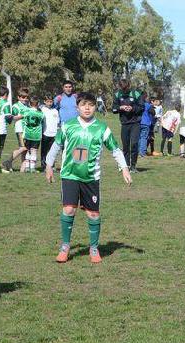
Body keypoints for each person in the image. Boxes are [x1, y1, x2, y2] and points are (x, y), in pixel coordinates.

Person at [43, 92, 134, 264]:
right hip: (69, 175)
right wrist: (49, 165)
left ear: (95, 108)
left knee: (93, 214)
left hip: (91, 177)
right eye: (83, 104)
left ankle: (93, 248)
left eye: (91, 105)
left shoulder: (102, 129)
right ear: (77, 107)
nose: (87, 108)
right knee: (68, 210)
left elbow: (115, 149)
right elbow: (56, 145)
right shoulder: (68, 126)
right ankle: (65, 246)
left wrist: (124, 168)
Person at [1, 88, 43, 173]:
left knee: (26, 150)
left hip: (27, 130)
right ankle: (8, 162)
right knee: (23, 148)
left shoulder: (27, 106)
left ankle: (23, 170)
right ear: (18, 97)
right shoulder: (16, 106)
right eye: (23, 97)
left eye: (26, 97)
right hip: (20, 129)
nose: (25, 99)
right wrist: (23, 115)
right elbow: (12, 118)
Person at [112, 79, 144, 172]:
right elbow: (113, 109)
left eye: (126, 88)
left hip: (135, 123)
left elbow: (142, 107)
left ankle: (133, 166)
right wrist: (120, 108)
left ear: (129, 86)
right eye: (123, 88)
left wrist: (132, 108)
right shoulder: (117, 94)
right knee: (125, 146)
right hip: (124, 124)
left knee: (134, 144)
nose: (124, 90)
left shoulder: (136, 94)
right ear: (120, 87)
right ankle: (126, 165)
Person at [39, 95, 60, 171]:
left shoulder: (55, 111)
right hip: (45, 133)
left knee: (52, 151)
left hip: (54, 134)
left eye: (51, 101)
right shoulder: (42, 110)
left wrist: (58, 131)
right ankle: (44, 166)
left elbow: (57, 123)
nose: (49, 103)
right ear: (44, 102)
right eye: (48, 101)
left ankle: (51, 165)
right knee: (44, 151)